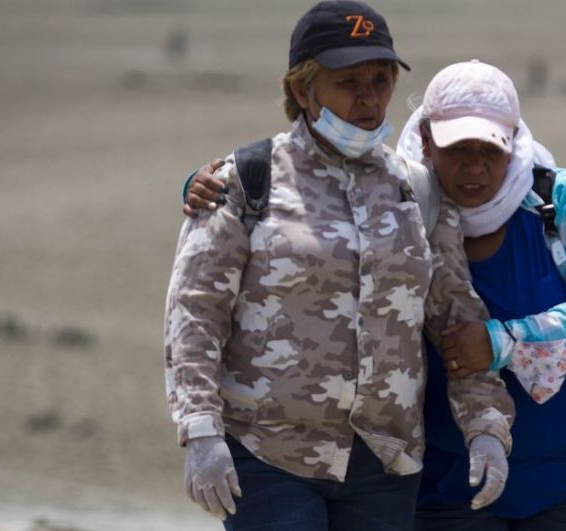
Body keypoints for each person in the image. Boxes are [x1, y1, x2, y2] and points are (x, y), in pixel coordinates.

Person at [186, 59, 566, 530]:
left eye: (491, 151)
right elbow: (309, 223)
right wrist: (208, 187)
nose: (475, 170)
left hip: (562, 459)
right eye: (458, 151)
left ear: (514, 141)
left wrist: (499, 341)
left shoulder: (557, 198)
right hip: (445, 468)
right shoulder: (404, 195)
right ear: (426, 141)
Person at [164, 4, 514, 531]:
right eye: (348, 82)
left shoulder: (417, 190)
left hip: (385, 462)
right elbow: (195, 311)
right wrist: (200, 430)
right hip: (268, 454)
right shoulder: (245, 181)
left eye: (381, 80)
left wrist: (486, 425)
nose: (369, 99)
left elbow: (456, 320)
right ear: (303, 91)